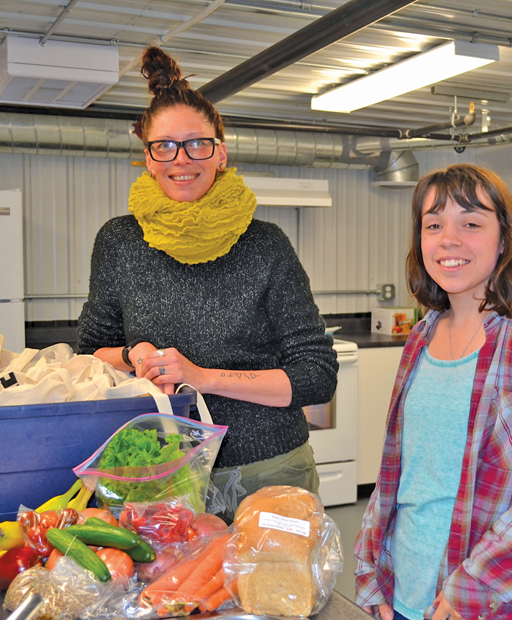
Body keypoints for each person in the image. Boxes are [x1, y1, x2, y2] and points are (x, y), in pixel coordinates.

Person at [76, 46, 338, 521]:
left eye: (198, 143)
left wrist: (201, 378)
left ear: (220, 153)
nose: (182, 159)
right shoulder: (119, 241)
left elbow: (316, 375)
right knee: (169, 598)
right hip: (160, 476)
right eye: (165, 146)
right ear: (149, 159)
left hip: (269, 471)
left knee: (276, 595)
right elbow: (90, 353)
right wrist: (132, 356)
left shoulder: (265, 244)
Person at [353, 164, 512, 620]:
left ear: (504, 239)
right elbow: (400, 468)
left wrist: (478, 582)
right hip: (401, 597)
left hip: (488, 612)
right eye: (433, 224)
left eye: (471, 222)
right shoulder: (422, 335)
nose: (449, 240)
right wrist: (370, 565)